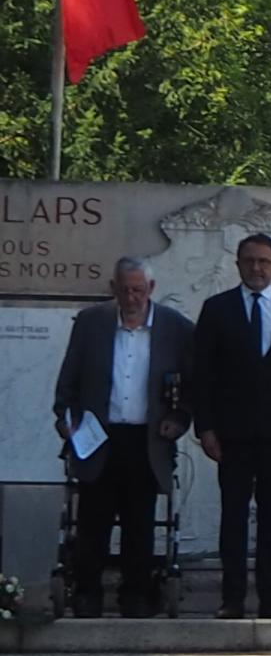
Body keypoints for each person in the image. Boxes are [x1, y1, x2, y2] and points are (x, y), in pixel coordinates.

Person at [53, 258, 194, 618]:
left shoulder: (175, 327)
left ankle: (136, 594)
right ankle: (87, 593)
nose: (131, 298)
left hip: (146, 439)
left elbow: (191, 386)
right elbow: (68, 383)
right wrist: (67, 420)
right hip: (98, 436)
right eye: (124, 290)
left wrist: (179, 419)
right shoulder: (91, 323)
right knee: (93, 522)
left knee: (139, 523)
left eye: (138, 290)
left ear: (151, 289)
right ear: (112, 288)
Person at [195, 233, 271, 620]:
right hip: (230, 435)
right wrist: (206, 427)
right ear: (237, 264)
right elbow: (203, 374)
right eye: (249, 261)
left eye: (264, 261)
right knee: (232, 517)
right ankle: (232, 598)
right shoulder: (216, 309)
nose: (257, 268)